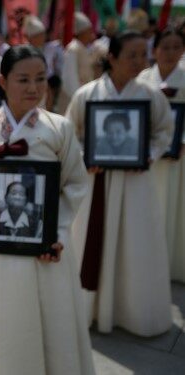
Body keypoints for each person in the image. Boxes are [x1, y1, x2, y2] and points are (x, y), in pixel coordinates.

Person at [0, 45, 94, 374]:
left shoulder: (59, 129)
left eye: (40, 79)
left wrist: (56, 231)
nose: (33, 87)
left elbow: (75, 185)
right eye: (22, 79)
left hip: (44, 250)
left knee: (45, 324)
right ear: (3, 81)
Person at [66, 30, 174, 337]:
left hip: (135, 182)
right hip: (96, 181)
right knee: (91, 241)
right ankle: (89, 308)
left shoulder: (150, 95)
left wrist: (148, 155)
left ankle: (132, 311)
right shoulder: (87, 94)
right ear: (111, 57)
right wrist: (86, 156)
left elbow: (164, 131)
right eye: (132, 54)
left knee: (135, 243)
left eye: (144, 53)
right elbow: (69, 133)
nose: (141, 61)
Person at [139, 27, 185, 282]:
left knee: (177, 207)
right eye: (165, 47)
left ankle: (173, 264)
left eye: (176, 47)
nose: (170, 53)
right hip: (150, 155)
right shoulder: (144, 80)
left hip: (179, 157)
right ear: (154, 50)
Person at [56, 12, 96, 114]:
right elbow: (70, 78)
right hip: (74, 99)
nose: (91, 34)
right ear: (82, 32)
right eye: (88, 31)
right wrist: (79, 99)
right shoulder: (73, 49)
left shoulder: (82, 48)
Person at [23, 15, 64, 112]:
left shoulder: (48, 49)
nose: (43, 37)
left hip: (44, 94)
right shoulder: (23, 53)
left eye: (43, 34)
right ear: (32, 38)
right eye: (40, 35)